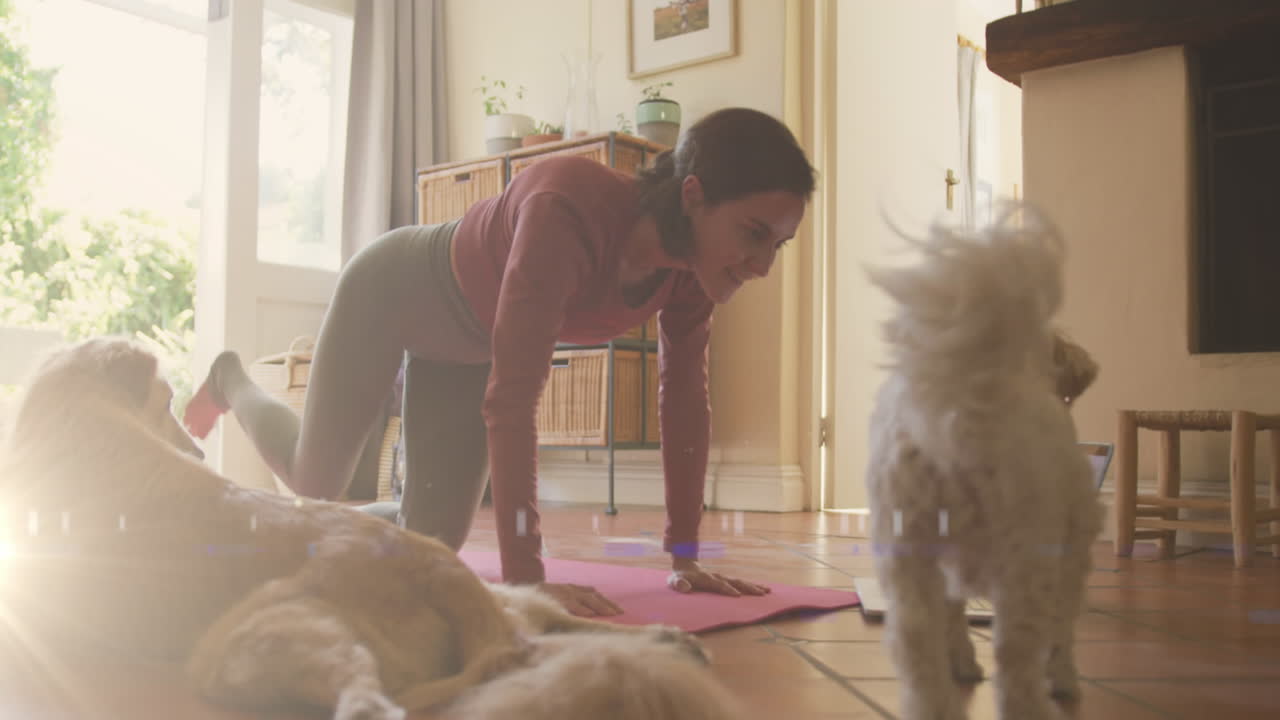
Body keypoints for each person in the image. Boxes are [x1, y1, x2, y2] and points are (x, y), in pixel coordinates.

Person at [183, 107, 816, 616]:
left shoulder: (689, 276)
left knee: (431, 543)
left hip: (466, 349)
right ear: (694, 195)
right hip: (391, 290)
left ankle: (322, 529)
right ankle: (230, 378)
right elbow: (513, 401)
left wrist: (685, 555)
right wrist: (526, 577)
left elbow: (684, 403)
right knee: (315, 477)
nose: (763, 265)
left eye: (779, 245)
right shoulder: (567, 207)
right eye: (754, 233)